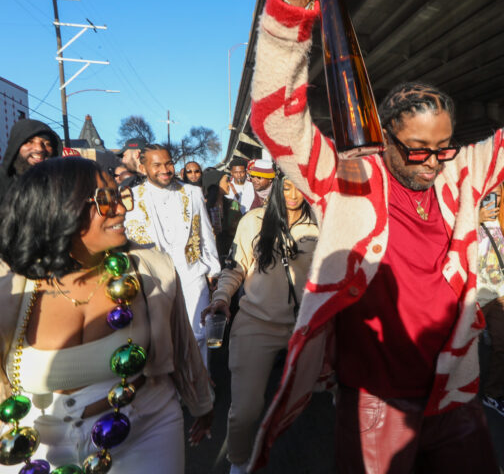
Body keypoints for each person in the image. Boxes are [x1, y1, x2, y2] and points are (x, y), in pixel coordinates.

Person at [243, 0, 504, 471]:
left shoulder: (462, 172)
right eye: (416, 150)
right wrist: (292, 5)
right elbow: (275, 119)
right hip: (373, 399)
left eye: (443, 147)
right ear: (384, 138)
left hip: (453, 386)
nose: (433, 162)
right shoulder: (348, 178)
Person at [0, 157, 213, 473]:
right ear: (59, 210)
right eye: (105, 200)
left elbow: (183, 344)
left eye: (120, 196)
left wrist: (202, 404)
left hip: (146, 428)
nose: (122, 209)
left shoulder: (152, 268)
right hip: (34, 444)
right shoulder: (9, 286)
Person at [201, 174, 318, 474]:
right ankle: (238, 463)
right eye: (287, 186)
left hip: (306, 326)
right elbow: (236, 265)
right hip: (256, 324)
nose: (293, 195)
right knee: (246, 411)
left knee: (310, 404)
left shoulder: (322, 222)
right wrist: (222, 298)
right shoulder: (253, 221)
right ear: (277, 186)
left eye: (300, 188)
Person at [124, 144, 220, 366]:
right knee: (160, 337)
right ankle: (171, 390)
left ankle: (200, 386)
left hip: (192, 272)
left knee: (199, 333)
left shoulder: (193, 192)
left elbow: (206, 232)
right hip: (152, 279)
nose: (165, 169)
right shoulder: (130, 198)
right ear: (143, 167)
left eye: (168, 163)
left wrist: (214, 269)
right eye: (157, 165)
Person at [477, 183, 504, 419]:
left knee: (502, 345)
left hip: (499, 293)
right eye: (488, 192)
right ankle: (456, 396)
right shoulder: (467, 218)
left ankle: (492, 393)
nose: (492, 197)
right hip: (473, 296)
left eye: (497, 192)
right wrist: (475, 218)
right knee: (463, 351)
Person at [0, 119, 62, 202]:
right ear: (15, 146)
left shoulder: (60, 187)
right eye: (30, 142)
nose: (39, 149)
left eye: (47, 144)